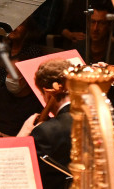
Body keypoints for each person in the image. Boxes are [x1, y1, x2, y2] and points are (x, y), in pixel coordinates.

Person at [17, 58, 73, 189]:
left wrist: (22, 136)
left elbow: (25, 175)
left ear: (47, 94)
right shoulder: (107, 116)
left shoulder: (46, 131)